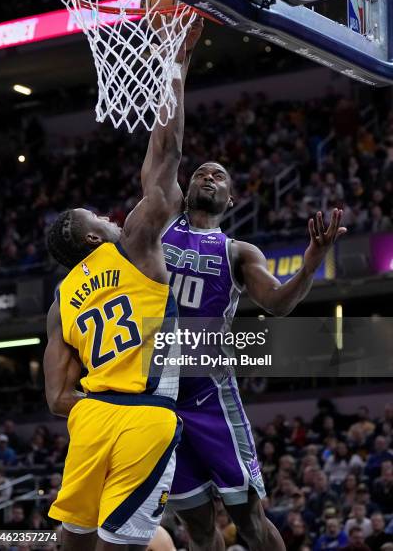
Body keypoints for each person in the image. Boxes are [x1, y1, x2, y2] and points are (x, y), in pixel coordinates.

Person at [142, 71, 346, 551]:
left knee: (249, 518)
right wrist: (175, 76)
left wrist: (312, 263)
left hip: (208, 392)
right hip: (159, 394)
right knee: (195, 525)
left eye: (219, 175)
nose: (208, 176)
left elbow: (277, 303)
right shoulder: (157, 224)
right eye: (201, 172)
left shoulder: (237, 251)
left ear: (230, 199)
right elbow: (167, 147)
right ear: (185, 189)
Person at [44, 29, 201, 551]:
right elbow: (167, 155)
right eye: (100, 218)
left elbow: (56, 399)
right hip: (145, 413)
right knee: (126, 544)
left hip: (90, 418)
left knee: (74, 539)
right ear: (94, 238)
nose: (112, 218)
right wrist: (174, 60)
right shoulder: (133, 245)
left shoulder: (60, 302)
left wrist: (99, 401)